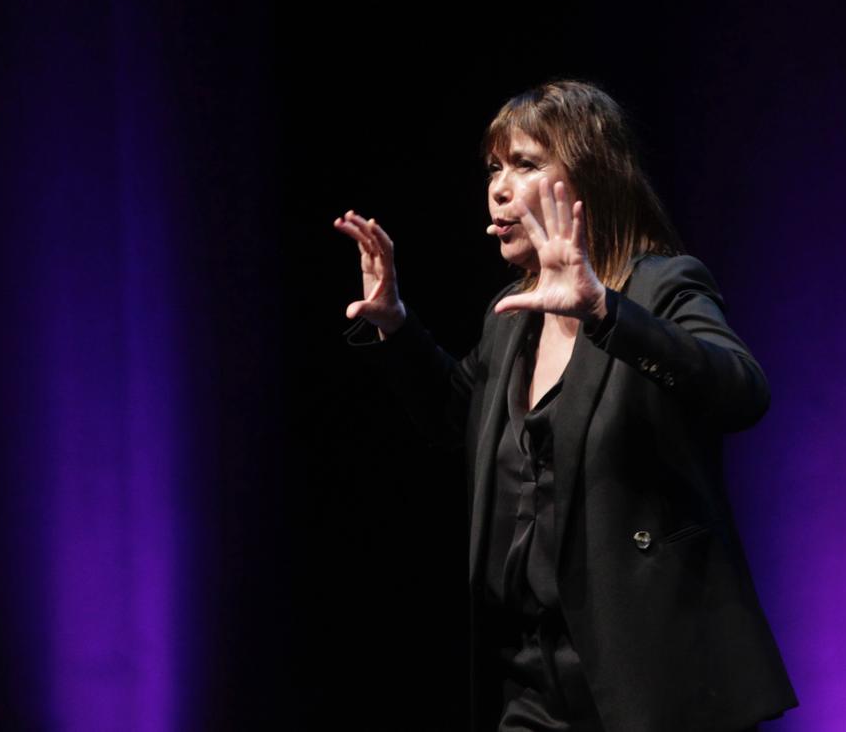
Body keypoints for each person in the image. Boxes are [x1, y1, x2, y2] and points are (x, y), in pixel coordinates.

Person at [335, 80, 798, 731]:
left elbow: (741, 390)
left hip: (650, 675)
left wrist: (607, 312)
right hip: (528, 677)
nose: (497, 186)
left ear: (587, 179)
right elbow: (453, 415)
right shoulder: (511, 322)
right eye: (495, 167)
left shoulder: (661, 285)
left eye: (524, 164)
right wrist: (395, 325)